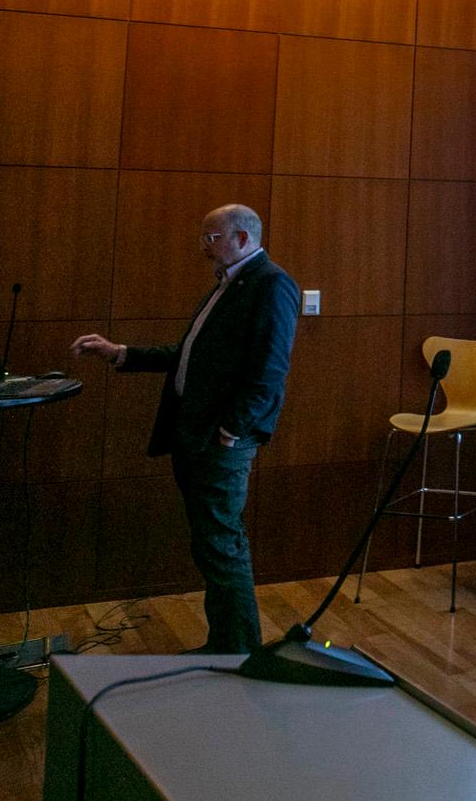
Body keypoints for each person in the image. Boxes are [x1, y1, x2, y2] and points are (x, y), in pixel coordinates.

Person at [71, 204, 298, 654]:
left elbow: (270, 370)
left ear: (242, 238)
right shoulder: (229, 283)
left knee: (222, 545)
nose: (202, 247)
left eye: (211, 238)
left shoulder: (271, 284)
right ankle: (227, 645)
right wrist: (120, 353)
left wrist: (232, 430)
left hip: (221, 441)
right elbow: (191, 356)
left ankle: (237, 652)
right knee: (212, 545)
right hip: (195, 435)